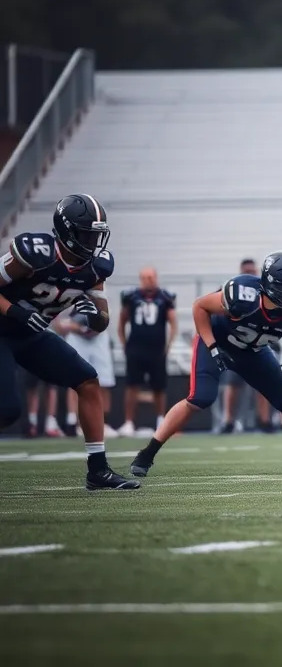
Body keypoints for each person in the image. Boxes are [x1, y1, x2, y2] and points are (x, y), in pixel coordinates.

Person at [130, 251, 282, 476]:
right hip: (219, 341)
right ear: (273, 285)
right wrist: (213, 347)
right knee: (200, 398)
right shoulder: (243, 295)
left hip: (253, 351)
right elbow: (200, 307)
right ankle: (147, 454)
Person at [0, 194, 137, 489]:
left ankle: (98, 471)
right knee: (7, 410)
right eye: (87, 233)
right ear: (67, 230)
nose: (93, 241)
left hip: (30, 334)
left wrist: (94, 314)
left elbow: (101, 323)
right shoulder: (35, 253)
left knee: (87, 380)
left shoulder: (97, 267)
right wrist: (15, 311)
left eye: (96, 234)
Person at [117, 267, 176, 436]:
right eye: (144, 277)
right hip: (136, 347)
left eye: (150, 277)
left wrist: (168, 345)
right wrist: (124, 344)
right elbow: (122, 321)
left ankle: (160, 420)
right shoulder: (131, 297)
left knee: (159, 386)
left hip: (157, 348)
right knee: (131, 385)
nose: (148, 280)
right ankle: (129, 422)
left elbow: (173, 323)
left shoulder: (165, 297)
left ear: (156, 278)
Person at [219, 258, 274, 433]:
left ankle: (264, 420)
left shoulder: (266, 291)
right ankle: (228, 421)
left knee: (264, 383)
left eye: (252, 270)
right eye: (246, 271)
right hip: (235, 345)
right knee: (233, 384)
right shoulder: (233, 289)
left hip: (259, 345)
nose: (250, 274)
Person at [57, 302, 118, 438]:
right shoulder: (66, 290)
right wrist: (77, 328)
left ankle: (103, 423)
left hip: (99, 337)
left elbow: (106, 313)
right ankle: (74, 422)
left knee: (104, 380)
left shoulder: (97, 287)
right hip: (76, 337)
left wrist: (95, 328)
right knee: (75, 382)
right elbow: (60, 322)